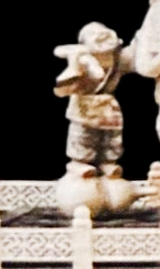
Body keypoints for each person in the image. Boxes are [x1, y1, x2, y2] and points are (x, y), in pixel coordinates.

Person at [53, 22, 128, 176]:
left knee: (111, 136)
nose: (101, 35)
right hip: (85, 105)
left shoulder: (117, 58)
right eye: (93, 34)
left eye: (103, 31)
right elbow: (96, 74)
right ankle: (80, 163)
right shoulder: (83, 59)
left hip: (107, 106)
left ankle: (108, 162)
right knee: (83, 134)